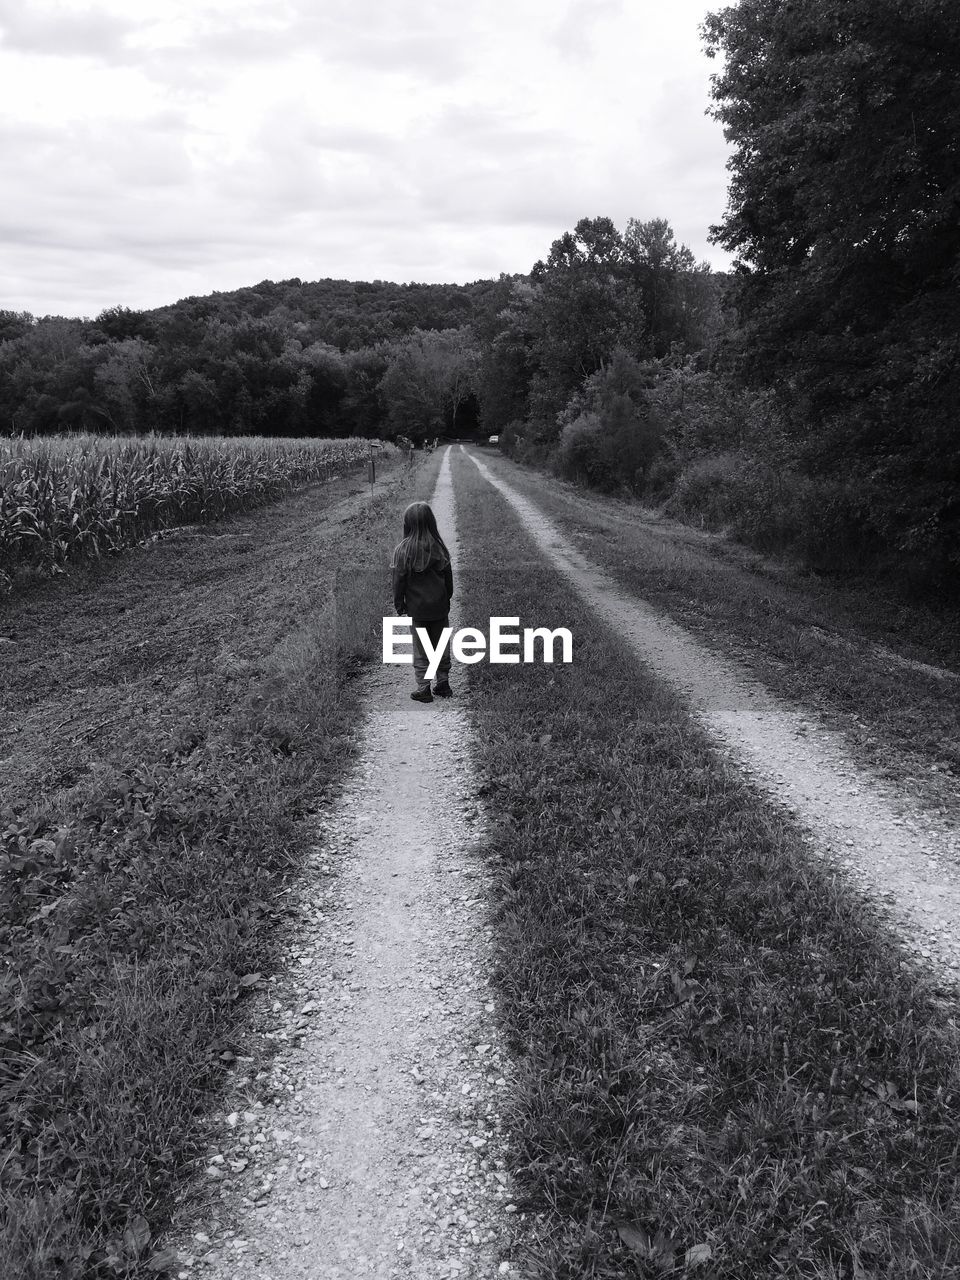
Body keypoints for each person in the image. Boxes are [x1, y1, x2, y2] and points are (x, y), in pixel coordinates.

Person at [392, 501, 453, 703]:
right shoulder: (440, 548)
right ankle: (443, 683)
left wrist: (399, 604)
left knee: (421, 649)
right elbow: (448, 580)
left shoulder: (402, 550)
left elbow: (398, 581)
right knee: (441, 645)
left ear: (407, 524)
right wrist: (447, 600)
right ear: (431, 523)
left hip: (417, 611)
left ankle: (424, 687)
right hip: (439, 608)